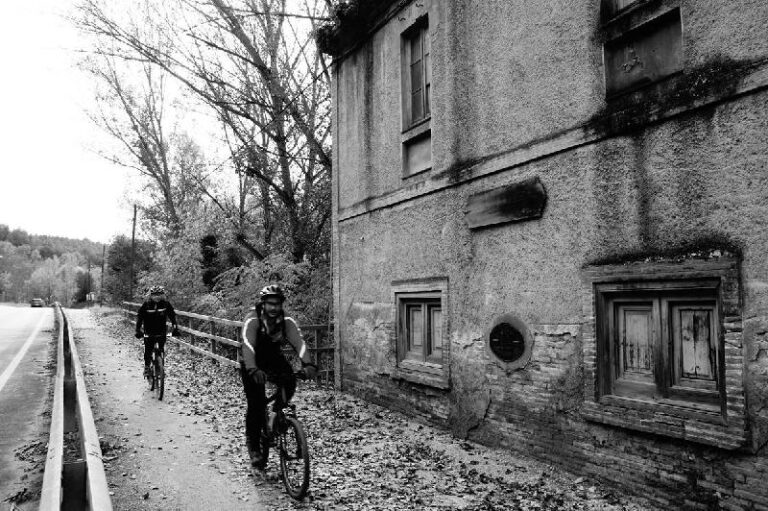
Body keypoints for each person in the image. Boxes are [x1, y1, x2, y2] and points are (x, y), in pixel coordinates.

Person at [240, 284, 317, 469]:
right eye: (270, 304)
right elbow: (248, 344)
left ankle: (275, 414)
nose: (274, 308)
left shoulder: (286, 320)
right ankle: (254, 446)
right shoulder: (253, 319)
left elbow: (299, 342)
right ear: (263, 304)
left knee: (289, 380)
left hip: (273, 358)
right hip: (251, 361)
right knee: (256, 404)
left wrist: (308, 364)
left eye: (277, 304)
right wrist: (252, 369)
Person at [135, 285, 179, 377]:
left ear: (162, 295)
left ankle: (160, 367)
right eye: (154, 295)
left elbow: (172, 316)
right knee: (148, 349)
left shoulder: (166, 304)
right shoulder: (146, 304)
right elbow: (140, 317)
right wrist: (138, 330)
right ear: (150, 295)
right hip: (149, 331)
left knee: (161, 349)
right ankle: (147, 367)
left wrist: (175, 328)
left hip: (161, 331)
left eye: (159, 294)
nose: (157, 296)